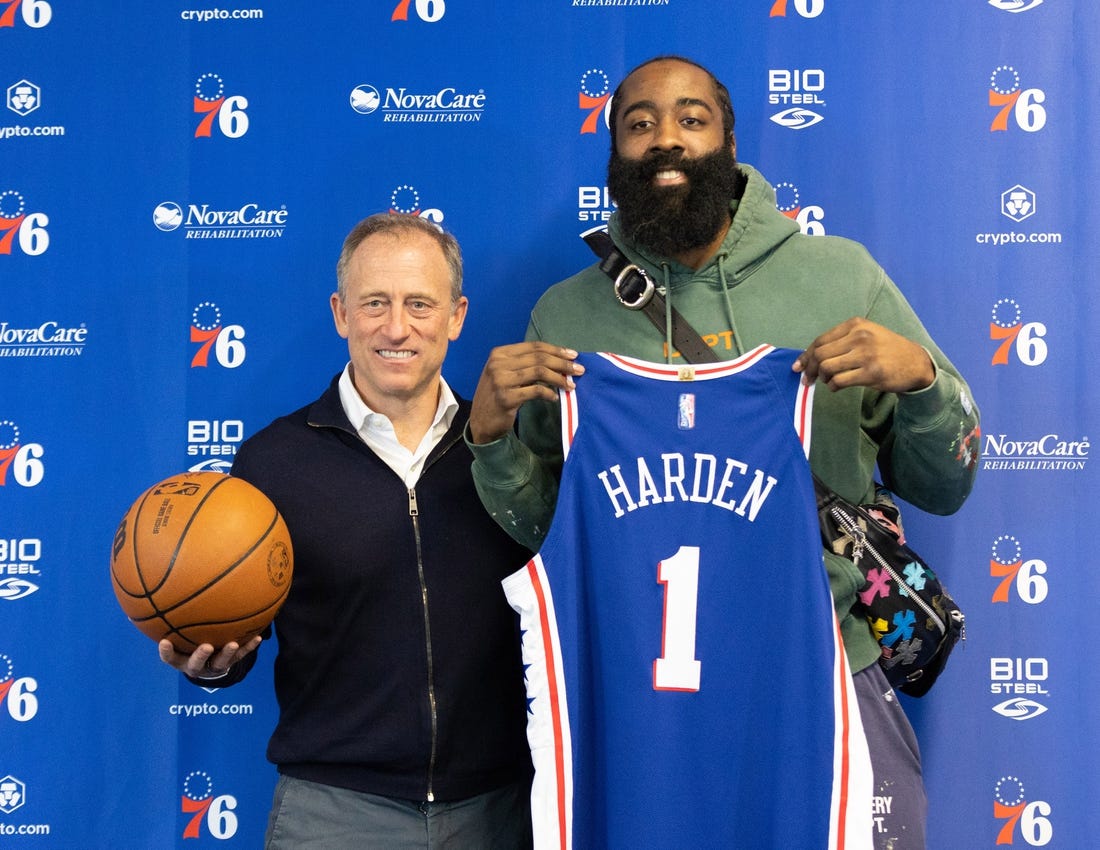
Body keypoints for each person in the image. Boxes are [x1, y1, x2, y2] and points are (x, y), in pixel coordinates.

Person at [465, 56, 980, 850]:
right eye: (639, 124)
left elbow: (946, 486)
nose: (665, 139)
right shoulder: (568, 316)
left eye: (691, 119)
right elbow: (554, 533)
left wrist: (922, 382)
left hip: (827, 672)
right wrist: (492, 441)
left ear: (730, 140)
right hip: (643, 699)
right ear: (614, 154)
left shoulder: (841, 279)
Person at [159, 213, 534, 849]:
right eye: (374, 304)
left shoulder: (503, 451)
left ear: (456, 316)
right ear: (340, 313)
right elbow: (237, 631)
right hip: (333, 813)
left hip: (496, 810)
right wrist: (211, 661)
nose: (396, 328)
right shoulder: (274, 460)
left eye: (420, 304)